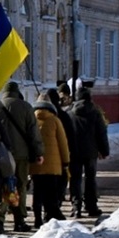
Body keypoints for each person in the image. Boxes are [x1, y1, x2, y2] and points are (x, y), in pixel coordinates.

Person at [0, 82, 44, 232]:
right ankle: (19, 220)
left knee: (4, 185)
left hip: (3, 155)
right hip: (22, 154)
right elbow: (33, 133)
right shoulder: (26, 107)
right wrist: (38, 152)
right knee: (20, 186)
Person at [67, 87, 109, 220]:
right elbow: (101, 133)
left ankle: (76, 207)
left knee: (75, 179)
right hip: (91, 152)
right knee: (90, 178)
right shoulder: (95, 113)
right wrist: (104, 150)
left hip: (74, 151)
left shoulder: (70, 113)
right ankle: (91, 207)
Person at [31, 93, 71, 223]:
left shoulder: (32, 120)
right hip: (53, 165)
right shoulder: (55, 120)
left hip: (36, 163)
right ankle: (49, 216)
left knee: (37, 191)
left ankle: (37, 218)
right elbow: (63, 143)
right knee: (51, 192)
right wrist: (66, 161)